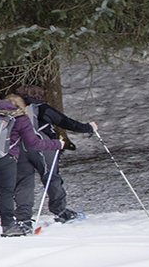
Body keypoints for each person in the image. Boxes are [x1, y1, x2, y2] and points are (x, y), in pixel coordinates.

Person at [0, 96, 62, 237]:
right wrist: (57, 144)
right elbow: (33, 144)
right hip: (5, 159)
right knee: (6, 191)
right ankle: (8, 226)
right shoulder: (21, 119)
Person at [15, 85, 98, 223]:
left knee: (23, 182)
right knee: (51, 178)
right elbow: (66, 122)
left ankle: (23, 218)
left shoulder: (15, 109)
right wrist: (88, 127)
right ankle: (60, 211)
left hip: (20, 148)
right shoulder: (42, 108)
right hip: (43, 147)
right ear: (39, 95)